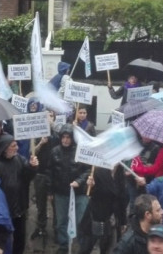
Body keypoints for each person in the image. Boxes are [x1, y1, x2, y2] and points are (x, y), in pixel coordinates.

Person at [0, 134, 39, 254]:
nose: (17, 148)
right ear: (5, 148)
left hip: (19, 209)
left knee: (20, 239)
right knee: (1, 240)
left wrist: (32, 168)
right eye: (13, 146)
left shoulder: (20, 159)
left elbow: (27, 178)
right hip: (2, 210)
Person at [47, 124, 90, 254]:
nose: (65, 140)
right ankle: (64, 246)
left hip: (79, 193)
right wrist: (50, 191)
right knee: (61, 222)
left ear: (73, 138)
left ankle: (82, 248)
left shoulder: (80, 151)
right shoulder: (54, 151)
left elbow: (88, 170)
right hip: (61, 193)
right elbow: (49, 172)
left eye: (68, 137)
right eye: (63, 137)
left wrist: (79, 181)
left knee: (81, 221)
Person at [78, 165, 128, 254]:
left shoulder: (120, 172)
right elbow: (88, 192)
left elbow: (122, 198)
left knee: (108, 248)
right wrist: (91, 186)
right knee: (86, 248)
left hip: (111, 219)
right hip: (95, 217)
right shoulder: (98, 170)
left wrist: (123, 221)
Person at [30, 109, 59, 240]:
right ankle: (41, 227)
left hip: (54, 174)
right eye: (46, 116)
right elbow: (32, 153)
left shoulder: (58, 135)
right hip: (40, 174)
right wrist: (41, 143)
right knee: (41, 204)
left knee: (56, 205)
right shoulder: (36, 134)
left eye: (51, 116)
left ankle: (57, 229)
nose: (48, 118)